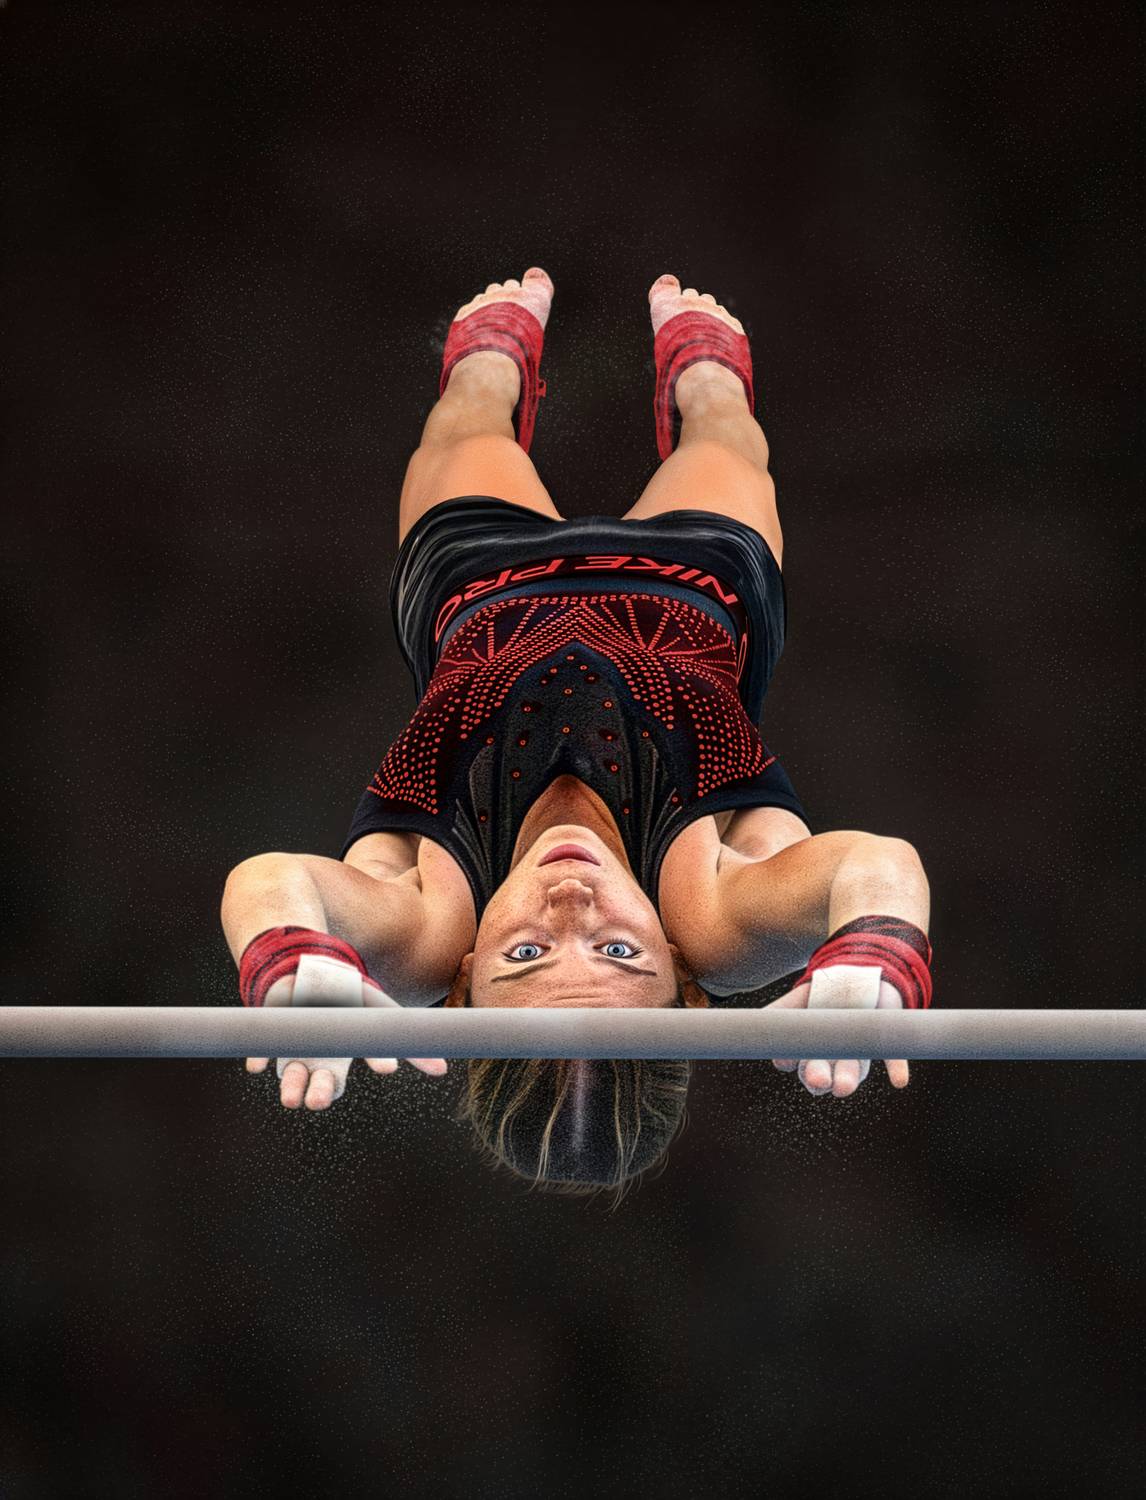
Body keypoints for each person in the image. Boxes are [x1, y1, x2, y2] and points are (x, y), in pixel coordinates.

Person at [221, 268, 932, 1192]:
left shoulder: (432, 925)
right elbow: (876, 865)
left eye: (524, 957)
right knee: (725, 426)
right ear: (683, 977)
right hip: (694, 581)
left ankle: (493, 368)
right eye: (617, 952)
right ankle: (704, 379)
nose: (571, 914)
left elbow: (268, 880)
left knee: (469, 411)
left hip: (481, 581)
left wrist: (289, 952)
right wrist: (875, 941)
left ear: (465, 977)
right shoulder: (714, 920)